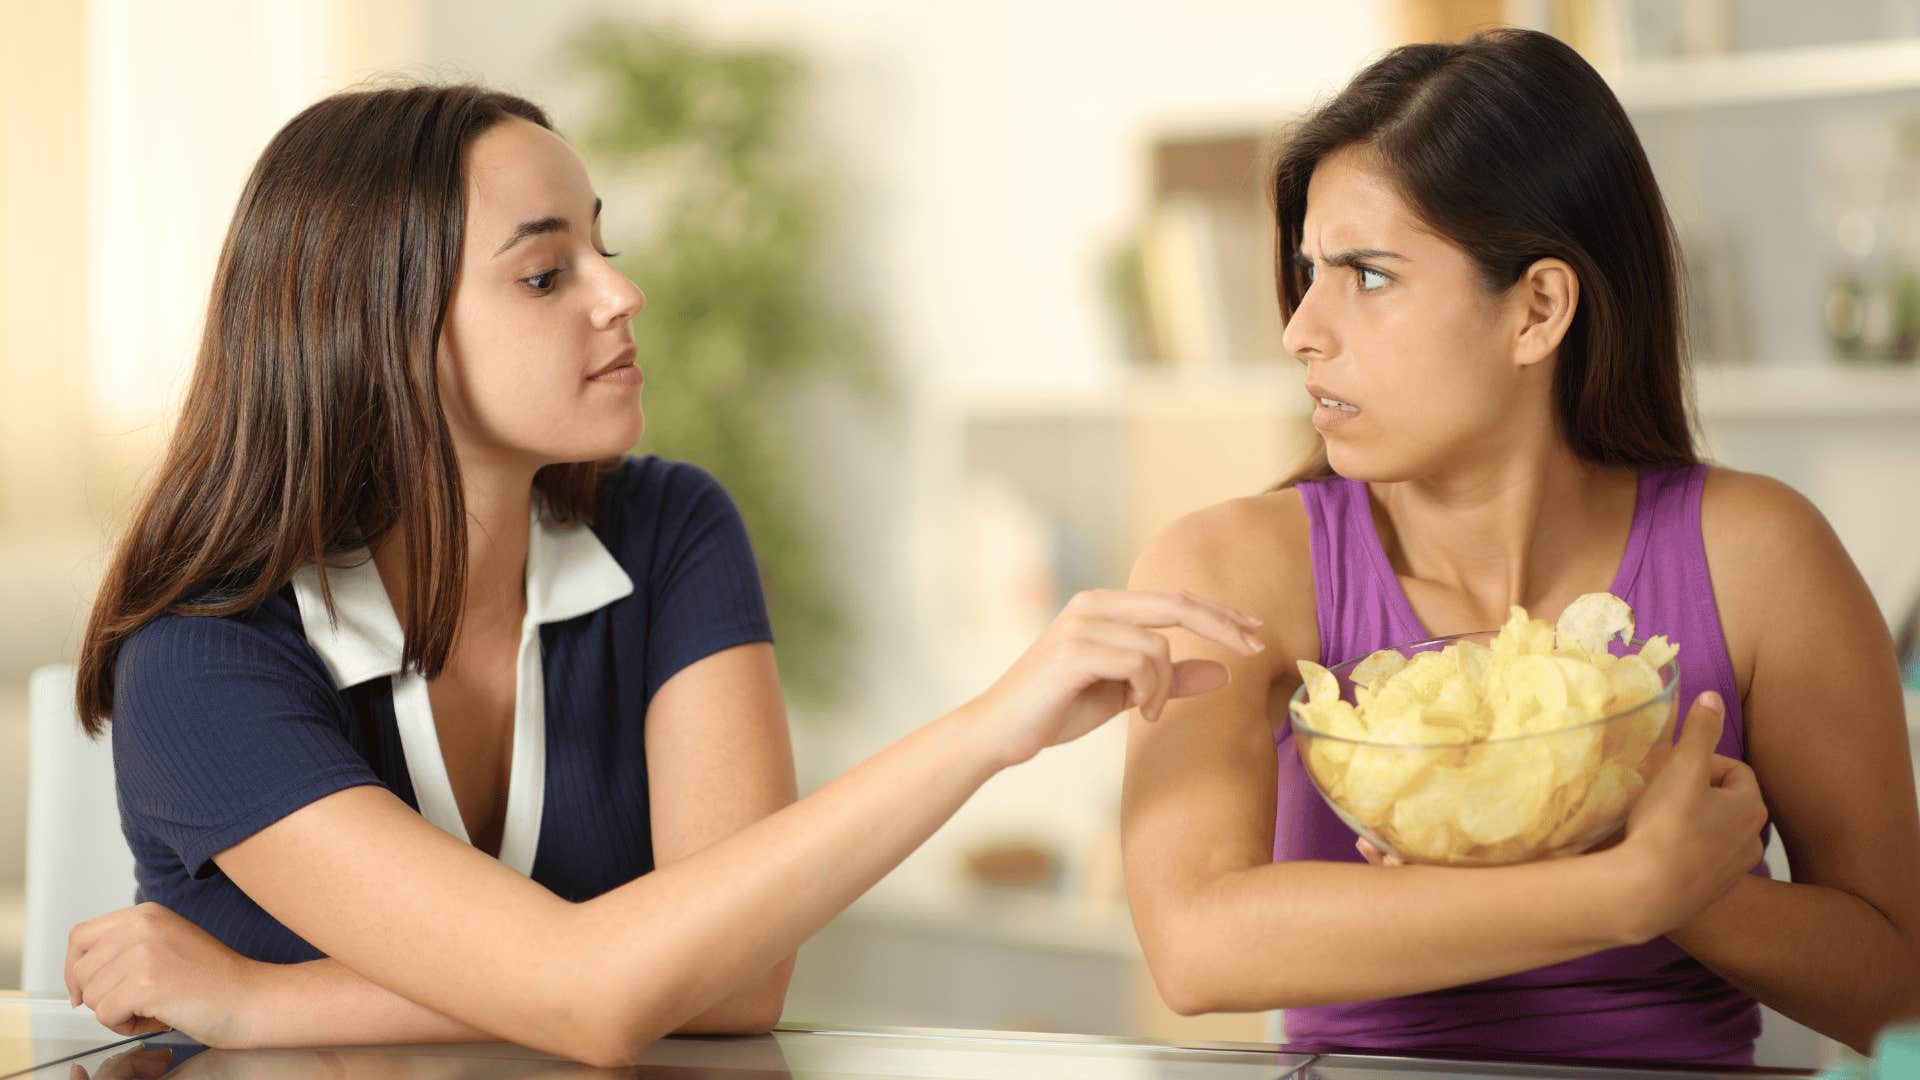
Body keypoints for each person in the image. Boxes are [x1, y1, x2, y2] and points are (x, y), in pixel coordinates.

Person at [61, 83, 1264, 1069]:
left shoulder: (670, 528)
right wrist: (987, 730)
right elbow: (600, 997)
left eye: (603, 246)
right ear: (371, 336)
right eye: (546, 275)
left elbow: (735, 983)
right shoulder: (199, 660)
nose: (622, 294)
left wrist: (272, 1005)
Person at [1120, 28, 1920, 1066]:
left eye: (1366, 275)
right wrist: (1622, 884)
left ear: (1538, 308)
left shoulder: (1762, 555)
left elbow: (1899, 987)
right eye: (1307, 269)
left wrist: (1691, 895)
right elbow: (1195, 948)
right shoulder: (1230, 569)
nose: (1302, 329)